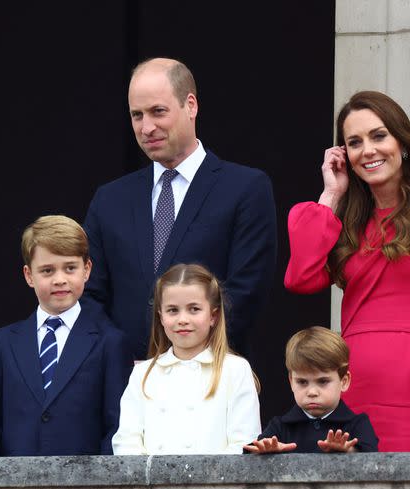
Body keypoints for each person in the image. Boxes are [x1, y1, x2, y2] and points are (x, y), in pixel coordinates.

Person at [285, 91, 410, 452]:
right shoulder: (349, 220)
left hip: (409, 391)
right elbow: (301, 278)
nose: (369, 150)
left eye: (379, 136)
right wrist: (330, 196)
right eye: (354, 142)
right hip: (345, 388)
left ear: (401, 141)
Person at [83, 57, 277, 361]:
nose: (147, 127)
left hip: (210, 377)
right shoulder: (109, 199)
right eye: (137, 115)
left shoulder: (245, 189)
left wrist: (182, 358)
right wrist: (121, 359)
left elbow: (246, 292)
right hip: (126, 381)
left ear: (191, 105)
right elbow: (90, 294)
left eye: (158, 111)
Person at [0, 215, 132, 456]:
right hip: (10, 488)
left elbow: (118, 426)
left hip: (86, 488)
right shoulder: (1, 343)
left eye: (70, 268)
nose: (60, 279)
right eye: (47, 270)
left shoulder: (110, 342)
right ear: (29, 275)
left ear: (87, 270)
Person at [112, 263, 261, 455]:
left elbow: (243, 443)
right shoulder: (142, 374)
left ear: (213, 316)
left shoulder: (235, 370)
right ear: (161, 317)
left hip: (216, 484)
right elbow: (126, 442)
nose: (183, 319)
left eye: (194, 309)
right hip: (153, 484)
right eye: (173, 310)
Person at [245, 326, 378, 454]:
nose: (312, 392)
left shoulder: (357, 424)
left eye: (323, 381)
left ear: (344, 381)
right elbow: (246, 460)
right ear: (291, 381)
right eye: (302, 382)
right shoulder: (279, 427)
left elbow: (375, 462)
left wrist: (348, 451)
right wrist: (265, 453)